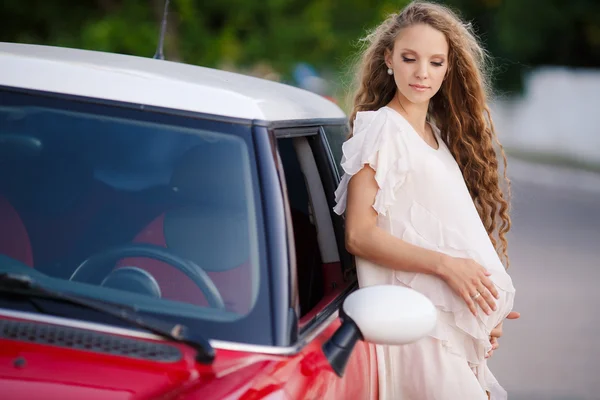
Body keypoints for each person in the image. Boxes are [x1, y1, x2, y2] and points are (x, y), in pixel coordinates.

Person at [332, 1, 517, 399]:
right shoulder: (383, 129)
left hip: (439, 329)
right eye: (410, 58)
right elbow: (360, 236)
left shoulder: (435, 136)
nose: (422, 73)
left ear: (449, 68)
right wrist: (452, 271)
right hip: (414, 331)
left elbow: (444, 233)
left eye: (436, 62)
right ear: (389, 59)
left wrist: (481, 305)